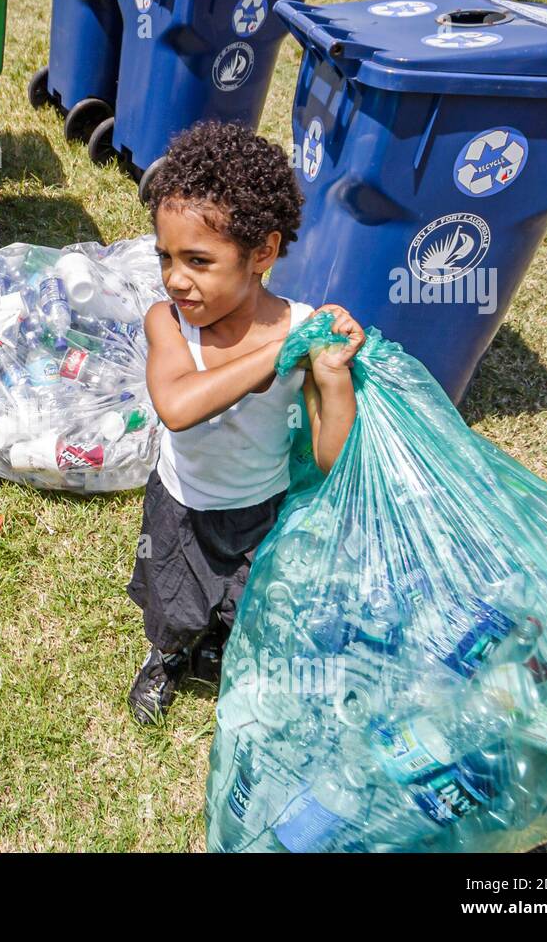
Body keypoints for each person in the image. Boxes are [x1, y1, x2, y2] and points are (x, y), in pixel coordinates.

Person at [127, 120, 365, 725]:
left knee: (248, 604)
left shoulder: (302, 326)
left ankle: (222, 647)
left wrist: (331, 371)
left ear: (262, 252)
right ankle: (167, 656)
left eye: (199, 261)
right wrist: (281, 353)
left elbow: (332, 455)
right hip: (181, 505)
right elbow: (178, 408)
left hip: (262, 510)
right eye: (166, 257)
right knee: (174, 601)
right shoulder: (167, 322)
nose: (176, 278)